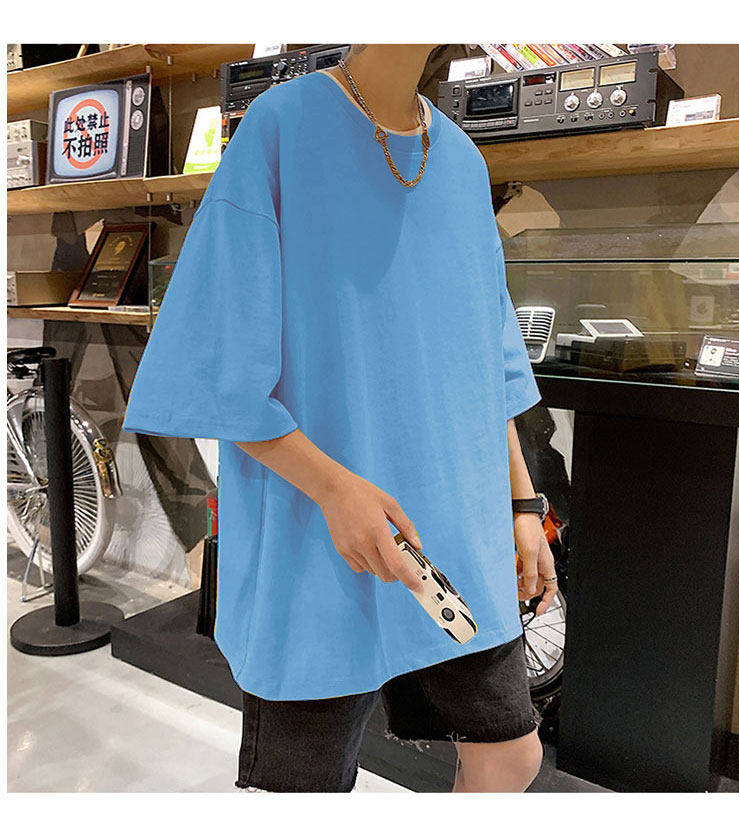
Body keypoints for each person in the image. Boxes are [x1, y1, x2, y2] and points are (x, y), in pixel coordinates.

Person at [122, 44, 558, 793]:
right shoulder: (281, 128)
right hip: (318, 531)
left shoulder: (461, 163)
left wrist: (521, 504)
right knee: (304, 786)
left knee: (510, 752)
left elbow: (487, 359)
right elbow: (217, 364)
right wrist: (332, 488)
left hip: (454, 528)